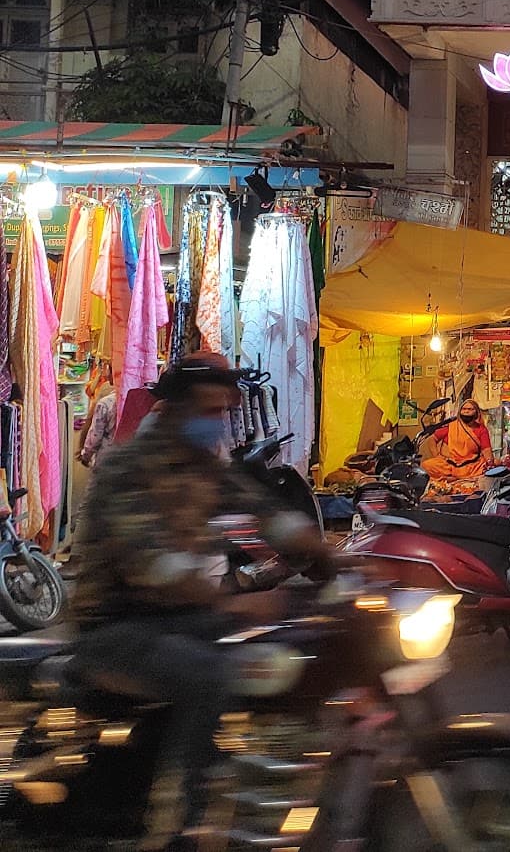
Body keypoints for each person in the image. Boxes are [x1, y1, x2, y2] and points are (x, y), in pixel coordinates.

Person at [68, 355, 332, 849]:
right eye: (209, 410)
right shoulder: (127, 468)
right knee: (207, 674)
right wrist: (231, 602)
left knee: (287, 646)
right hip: (112, 627)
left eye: (223, 412)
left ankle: (257, 780)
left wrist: (333, 557)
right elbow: (152, 567)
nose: (217, 422)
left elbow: (265, 514)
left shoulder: (205, 468)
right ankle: (179, 822)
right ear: (174, 409)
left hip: (176, 620)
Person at [421, 399, 493, 481]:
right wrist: (437, 456)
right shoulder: (451, 426)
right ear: (460, 412)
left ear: (476, 413)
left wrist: (490, 463)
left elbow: (486, 450)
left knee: (494, 464)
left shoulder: (481, 429)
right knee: (426, 465)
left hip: (471, 465)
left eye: (470, 409)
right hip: (450, 464)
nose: (466, 411)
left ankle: (453, 478)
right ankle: (457, 477)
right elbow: (432, 439)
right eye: (464, 409)